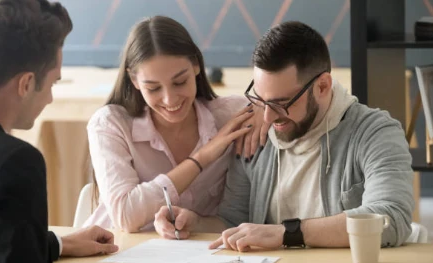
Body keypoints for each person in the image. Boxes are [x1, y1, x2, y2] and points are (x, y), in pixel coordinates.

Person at [154, 21, 414, 250]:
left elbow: (391, 218)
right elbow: (235, 221)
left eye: (281, 103)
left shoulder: (375, 132)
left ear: (322, 86)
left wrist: (286, 234)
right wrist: (196, 222)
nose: (267, 117)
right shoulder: (256, 136)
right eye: (260, 100)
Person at [0, 1, 118, 263]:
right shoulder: (15, 162)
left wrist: (58, 243)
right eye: (53, 82)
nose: (51, 99)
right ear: (27, 83)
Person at [84, 16, 268, 232]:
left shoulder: (231, 116)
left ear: (196, 66)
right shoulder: (110, 124)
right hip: (117, 254)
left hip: (202, 256)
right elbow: (125, 216)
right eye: (153, 88)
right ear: (134, 81)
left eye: (180, 82)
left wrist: (263, 107)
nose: (170, 100)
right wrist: (202, 157)